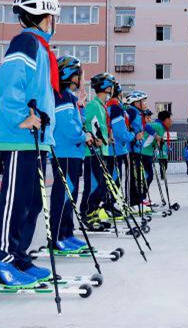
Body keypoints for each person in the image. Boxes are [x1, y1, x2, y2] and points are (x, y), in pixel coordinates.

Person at [0, 0, 60, 287]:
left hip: (37, 137)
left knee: (32, 201)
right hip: (20, 136)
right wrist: (22, 117)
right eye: (52, 16)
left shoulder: (39, 47)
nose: (54, 21)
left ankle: (19, 257)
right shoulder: (26, 42)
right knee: (15, 200)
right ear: (44, 16)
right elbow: (9, 84)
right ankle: (1, 262)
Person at [49, 56, 93, 252]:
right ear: (68, 75)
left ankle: (67, 233)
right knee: (64, 193)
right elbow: (69, 128)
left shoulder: (69, 97)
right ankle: (57, 236)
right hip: (65, 152)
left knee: (72, 193)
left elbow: (77, 120)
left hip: (73, 153)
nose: (79, 80)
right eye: (78, 76)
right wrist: (84, 136)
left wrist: (80, 108)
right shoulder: (62, 96)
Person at [79, 73, 114, 229]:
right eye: (111, 86)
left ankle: (93, 212)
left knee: (102, 186)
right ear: (107, 87)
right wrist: (96, 138)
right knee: (94, 185)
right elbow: (88, 126)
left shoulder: (101, 106)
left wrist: (106, 138)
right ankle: (86, 214)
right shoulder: (94, 105)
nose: (112, 89)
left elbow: (100, 127)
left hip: (102, 151)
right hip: (93, 152)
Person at [126, 91, 152, 207]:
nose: (145, 104)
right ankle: (133, 202)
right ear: (136, 103)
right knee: (134, 176)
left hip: (137, 148)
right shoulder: (131, 111)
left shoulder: (138, 113)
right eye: (142, 101)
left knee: (138, 176)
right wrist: (133, 135)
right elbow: (126, 126)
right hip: (131, 148)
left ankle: (139, 200)